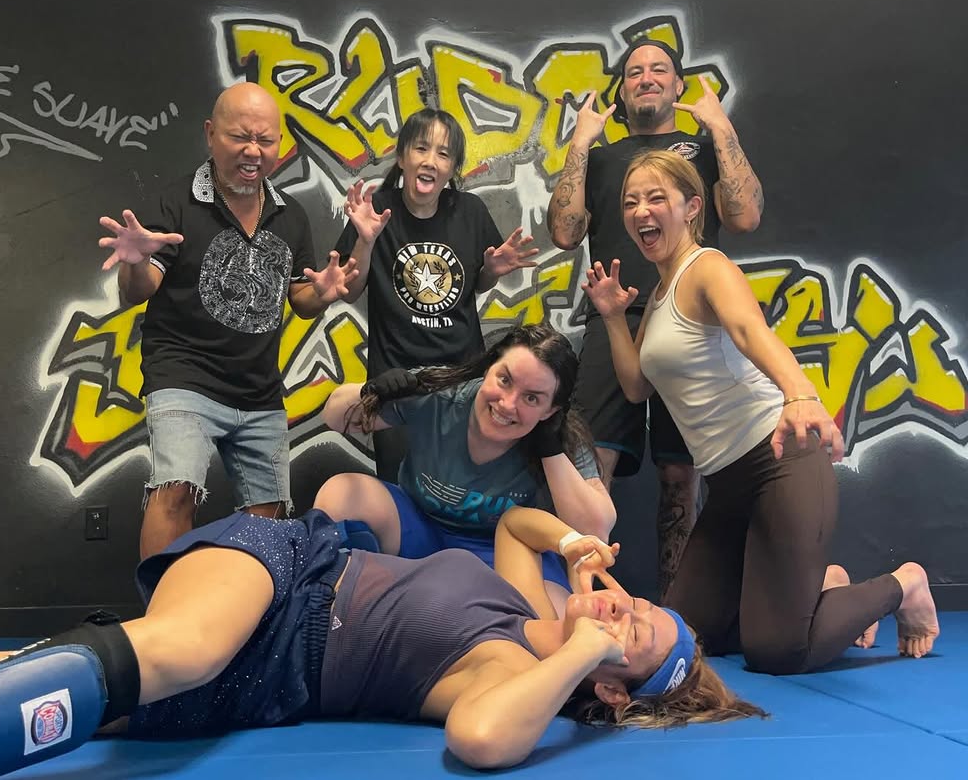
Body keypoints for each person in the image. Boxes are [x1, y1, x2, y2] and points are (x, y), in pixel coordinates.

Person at [0, 505, 765, 779]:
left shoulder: (507, 673)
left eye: (632, 638)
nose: (623, 611)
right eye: (638, 605)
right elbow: (515, 525)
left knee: (64, 698)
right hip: (291, 566)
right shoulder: (524, 599)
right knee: (182, 646)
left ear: (612, 684)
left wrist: (580, 654)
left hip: (273, 677)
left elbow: (480, 739)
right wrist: (574, 544)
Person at [581, 148, 940, 674]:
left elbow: (751, 331)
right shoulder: (659, 297)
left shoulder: (708, 268)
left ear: (692, 208)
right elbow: (636, 387)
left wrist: (799, 394)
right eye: (631, 202)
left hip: (780, 464)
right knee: (687, 635)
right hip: (728, 487)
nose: (641, 211)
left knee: (777, 651)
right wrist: (614, 317)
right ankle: (820, 590)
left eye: (656, 198)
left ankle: (903, 585)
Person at [97, 82, 357, 559]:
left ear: (279, 144)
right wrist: (135, 262)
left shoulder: (291, 216)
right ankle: (164, 606)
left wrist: (320, 294)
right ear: (210, 134)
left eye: (265, 140)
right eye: (240, 137)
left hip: (259, 390)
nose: (253, 151)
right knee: (175, 491)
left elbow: (299, 300)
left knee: (269, 517)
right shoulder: (174, 203)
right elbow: (138, 290)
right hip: (184, 377)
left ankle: (243, 603)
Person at [547, 38, 765, 597]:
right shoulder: (601, 158)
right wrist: (580, 142)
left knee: (679, 474)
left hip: (686, 315)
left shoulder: (705, 148)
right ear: (622, 91)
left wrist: (721, 128)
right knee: (591, 460)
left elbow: (744, 217)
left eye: (659, 69)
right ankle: (585, 601)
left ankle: (675, 611)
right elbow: (565, 232)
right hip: (612, 316)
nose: (646, 77)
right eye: (634, 72)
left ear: (678, 85)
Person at [313, 322, 615, 592]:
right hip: (419, 527)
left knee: (555, 614)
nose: (507, 404)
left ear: (551, 411)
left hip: (502, 549)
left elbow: (596, 530)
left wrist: (550, 449)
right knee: (341, 491)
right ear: (488, 369)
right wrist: (368, 391)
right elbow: (334, 416)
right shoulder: (442, 394)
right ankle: (326, 600)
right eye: (504, 380)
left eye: (532, 397)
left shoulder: (560, 435)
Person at [335, 107, 538, 481]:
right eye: (421, 148)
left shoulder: (470, 211)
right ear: (402, 157)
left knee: (458, 488)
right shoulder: (376, 210)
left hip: (464, 380)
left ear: (453, 168)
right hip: (395, 382)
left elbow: (474, 284)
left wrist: (491, 272)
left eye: (443, 154)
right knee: (399, 490)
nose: (430, 160)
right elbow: (349, 292)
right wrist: (365, 241)